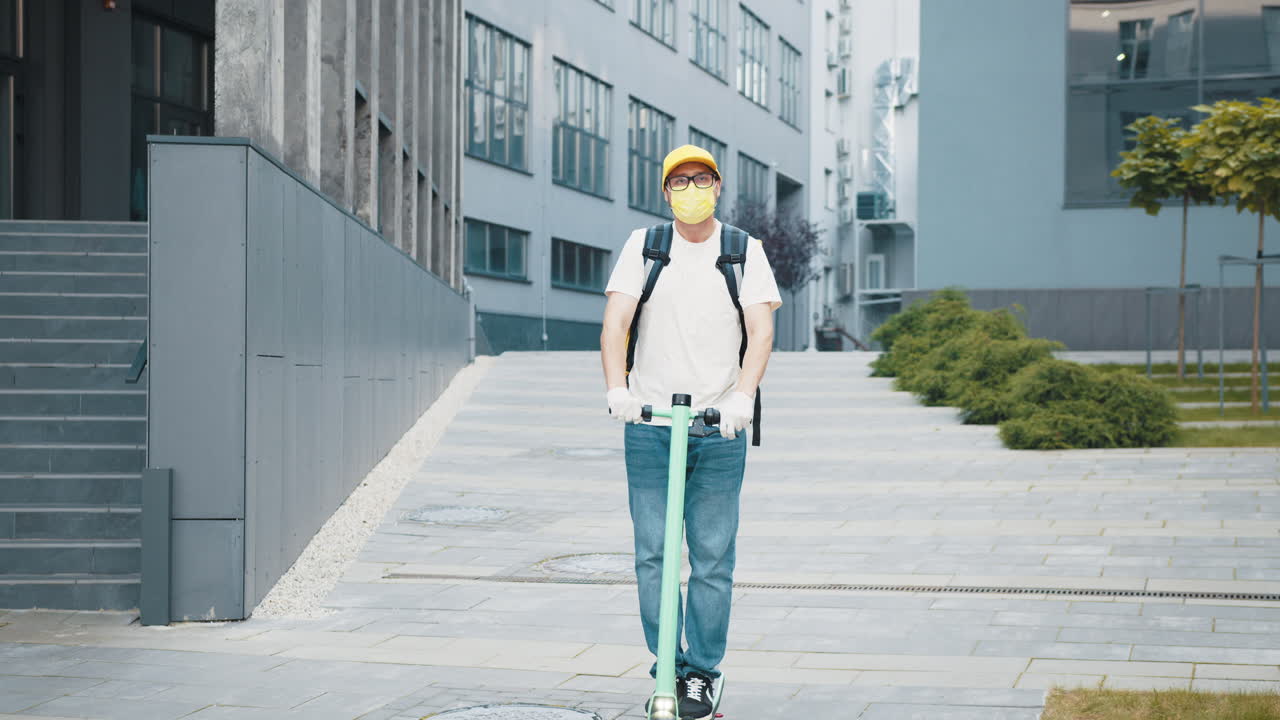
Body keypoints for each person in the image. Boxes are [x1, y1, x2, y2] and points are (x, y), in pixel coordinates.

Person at [599, 144, 781, 720]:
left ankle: (701, 673)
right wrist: (617, 389)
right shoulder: (645, 246)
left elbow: (761, 330)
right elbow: (616, 324)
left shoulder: (742, 250)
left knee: (711, 557)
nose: (691, 190)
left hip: (718, 429)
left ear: (718, 186)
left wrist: (743, 396)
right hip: (651, 424)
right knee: (653, 555)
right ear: (665, 192)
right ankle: (667, 669)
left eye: (700, 179)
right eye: (679, 182)